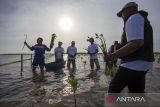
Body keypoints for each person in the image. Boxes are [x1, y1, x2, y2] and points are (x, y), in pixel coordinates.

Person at [104, 2, 154, 93]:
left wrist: (112, 56)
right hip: (144, 63)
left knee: (113, 90)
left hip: (133, 63)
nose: (122, 17)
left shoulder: (133, 18)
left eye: (122, 14)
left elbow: (136, 43)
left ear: (129, 9)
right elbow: (137, 41)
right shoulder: (142, 18)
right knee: (136, 91)